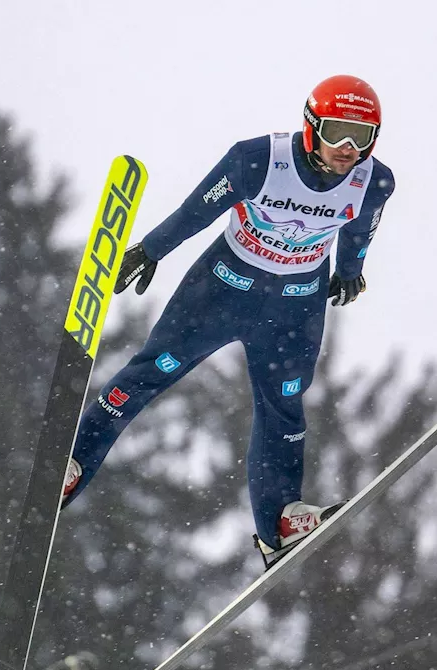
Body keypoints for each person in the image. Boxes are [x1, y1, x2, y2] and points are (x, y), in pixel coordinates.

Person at [61, 74, 396, 565]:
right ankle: (72, 467)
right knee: (151, 372)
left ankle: (279, 522)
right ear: (311, 126)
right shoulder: (258, 159)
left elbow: (361, 229)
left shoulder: (376, 180)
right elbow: (196, 211)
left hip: (294, 304)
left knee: (284, 406)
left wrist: (350, 272)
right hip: (222, 289)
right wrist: (149, 251)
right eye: (336, 131)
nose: (346, 147)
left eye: (360, 136)